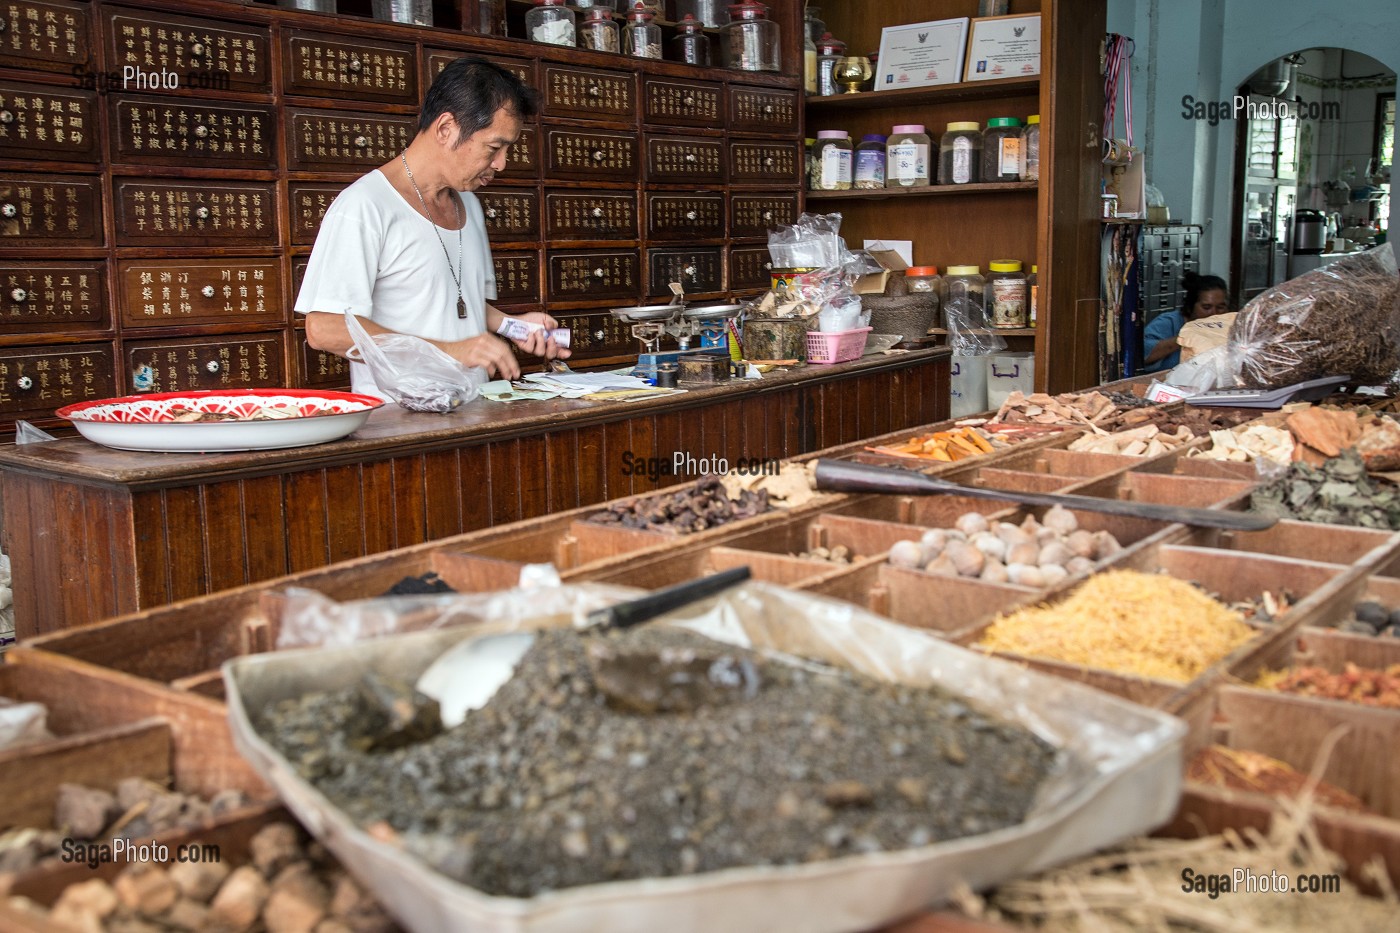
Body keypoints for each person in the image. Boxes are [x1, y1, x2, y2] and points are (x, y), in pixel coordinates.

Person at [296, 57, 568, 399]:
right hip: (400, 423)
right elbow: (324, 328)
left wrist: (512, 327)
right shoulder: (364, 207)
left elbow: (453, 300)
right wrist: (450, 350)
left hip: (475, 409)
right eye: (494, 148)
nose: (501, 163)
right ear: (446, 129)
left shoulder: (468, 203)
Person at [1141, 272, 1230, 373]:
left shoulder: (1226, 327)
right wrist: (1187, 336)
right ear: (1190, 306)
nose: (1214, 313)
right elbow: (1142, 354)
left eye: (1220, 307)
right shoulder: (1168, 322)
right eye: (1206, 307)